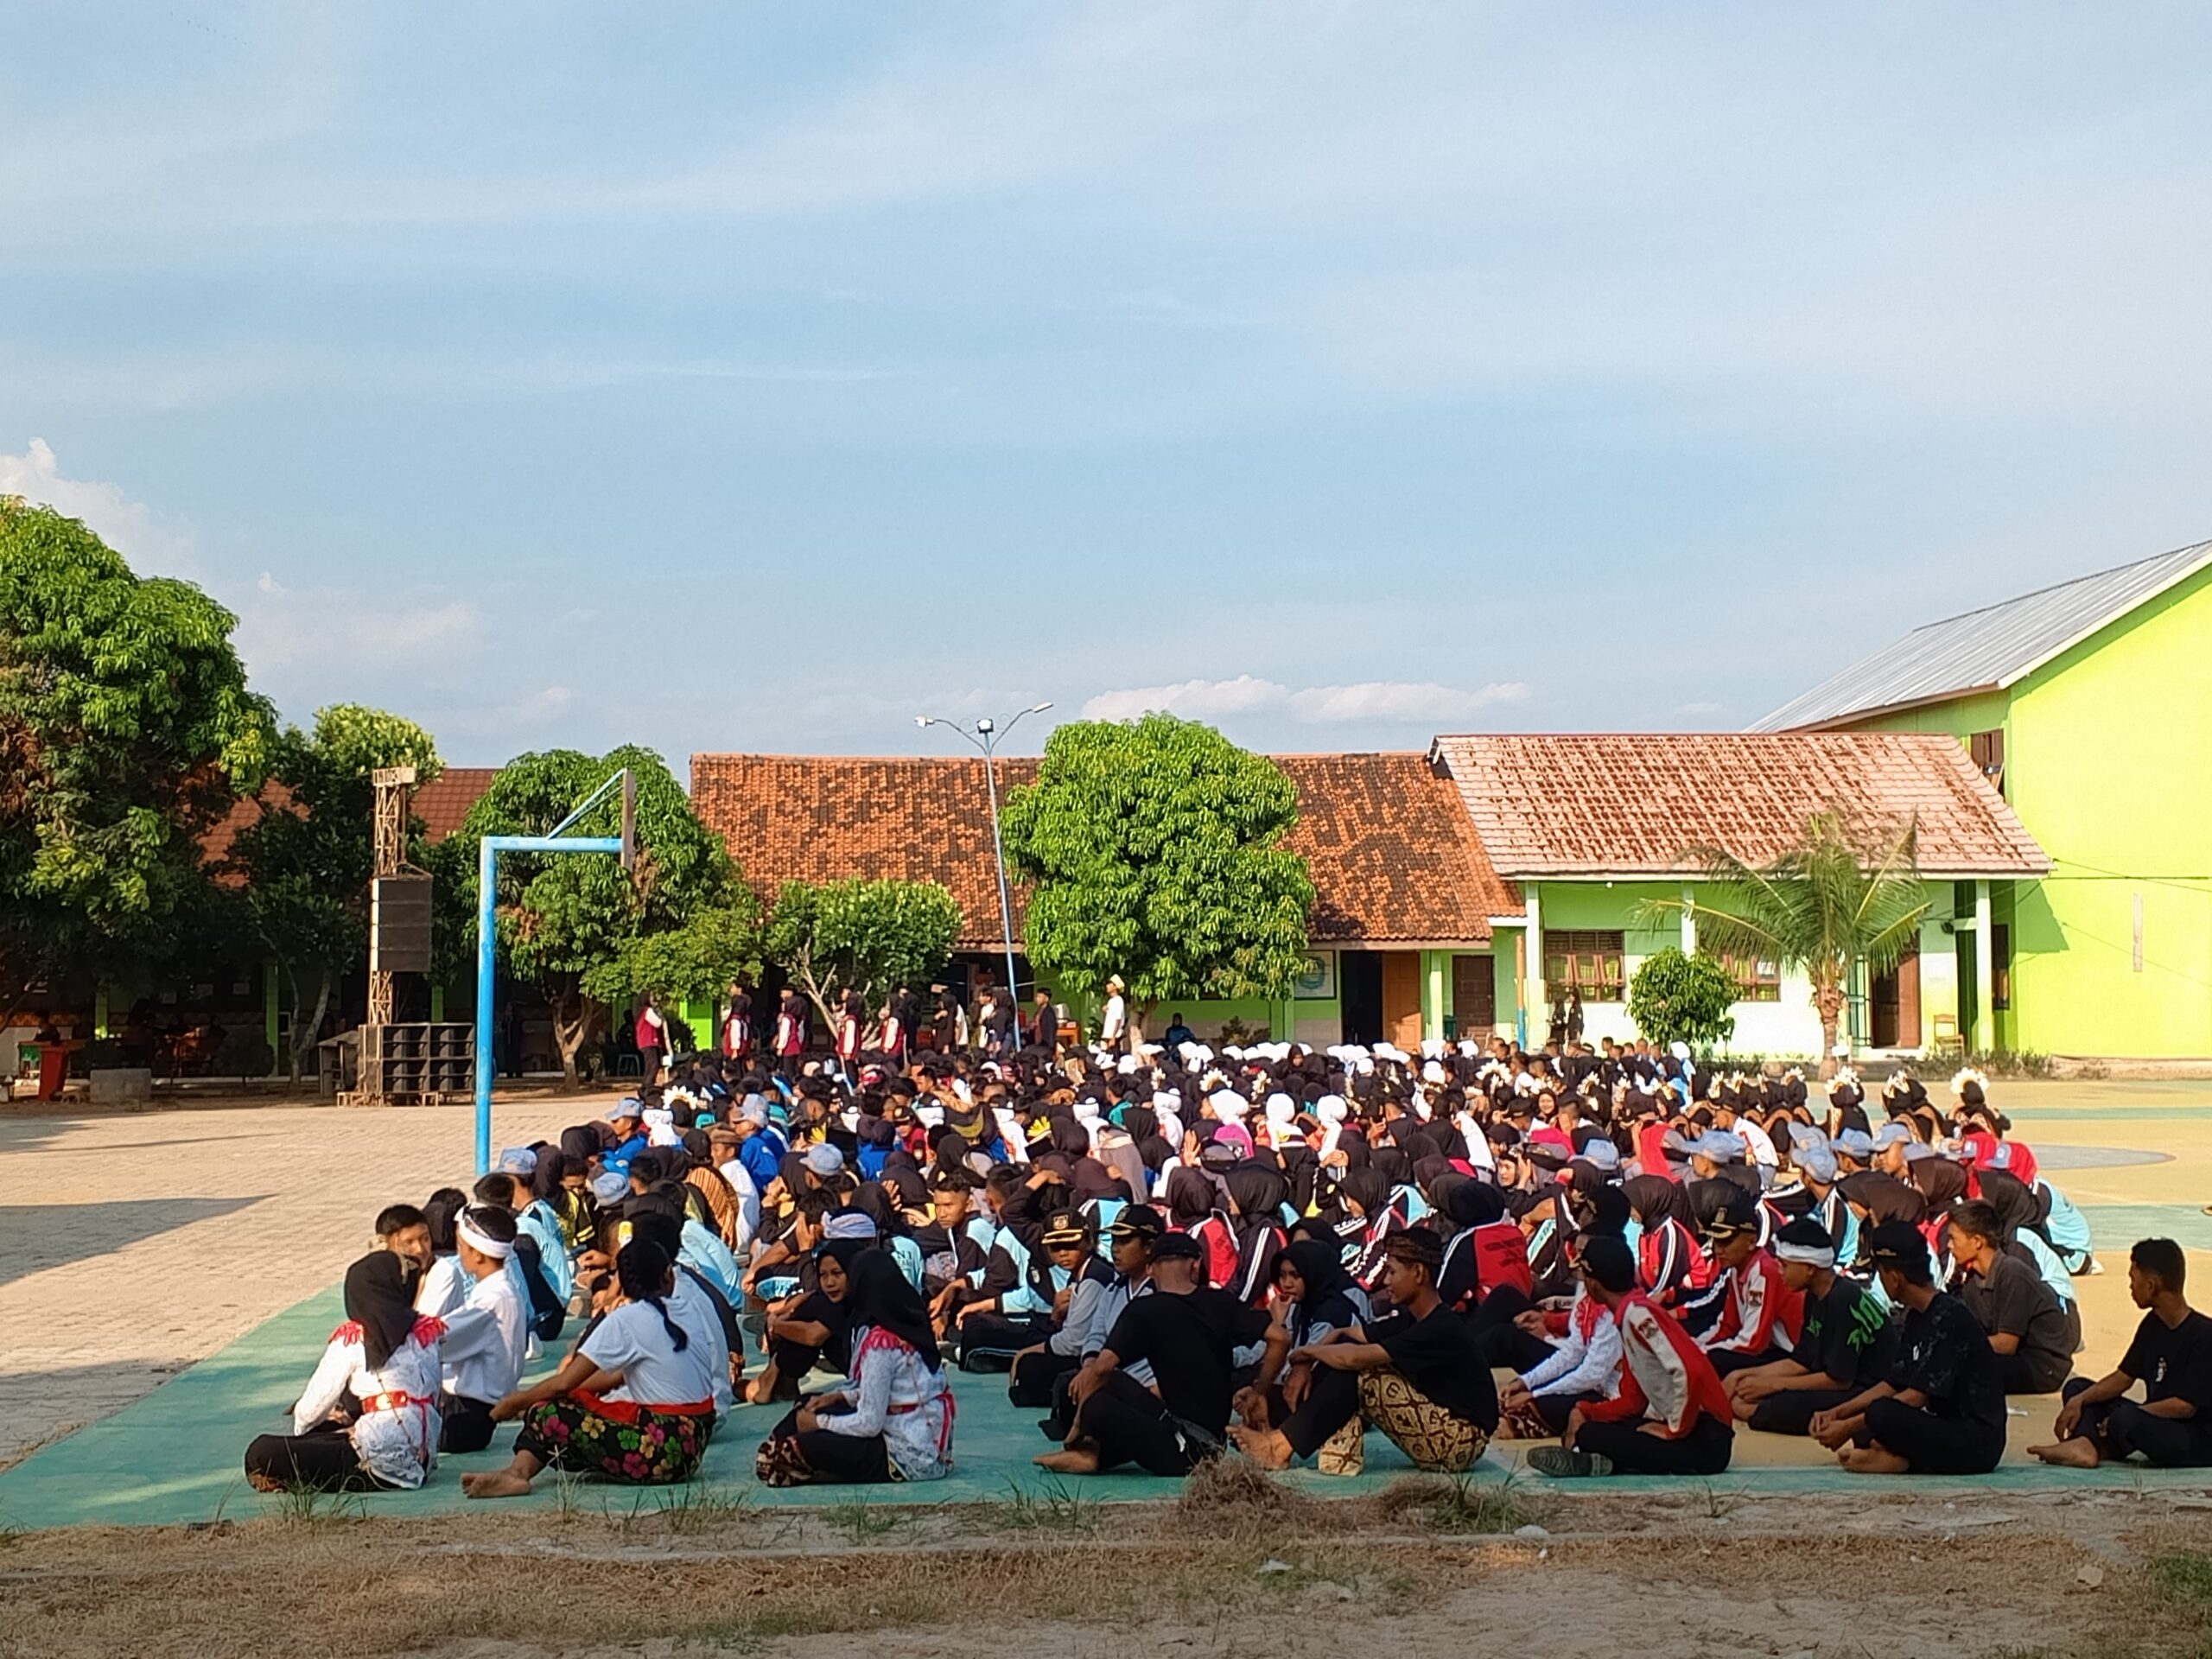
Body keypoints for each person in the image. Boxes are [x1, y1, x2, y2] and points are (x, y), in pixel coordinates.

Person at [462, 1239, 717, 1497]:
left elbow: (565, 1382)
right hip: (694, 1443)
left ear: (622, 1284)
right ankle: (515, 1473)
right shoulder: (686, 1307)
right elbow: (611, 1377)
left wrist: (519, 1401)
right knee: (561, 1402)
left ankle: (517, 1473)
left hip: (665, 1452)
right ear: (669, 1276)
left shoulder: (629, 1318)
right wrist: (556, 1394)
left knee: (548, 1414)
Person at [1233, 1229, 1497, 1476]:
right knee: (1344, 1359)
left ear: (1418, 1273)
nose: (1386, 1281)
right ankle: (1276, 1419)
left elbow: (1353, 1357)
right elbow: (1349, 1334)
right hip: (1439, 1427)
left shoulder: (1440, 1327)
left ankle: (1279, 1447)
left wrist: (1306, 1355)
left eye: (1393, 1272)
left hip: (1458, 1441)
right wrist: (1304, 1362)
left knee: (1364, 1371)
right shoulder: (1411, 1320)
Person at [1038, 1232, 1281, 1477]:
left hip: (1187, 1452)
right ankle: (1093, 1454)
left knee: (1095, 1403)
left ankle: (1092, 1454)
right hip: (1207, 1441)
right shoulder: (1221, 1301)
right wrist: (1260, 1390)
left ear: (1151, 1270)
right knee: (1111, 1382)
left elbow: (1101, 1368)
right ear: (1196, 1264)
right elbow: (1280, 1338)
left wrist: (1079, 1426)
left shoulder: (1144, 1310)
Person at [1527, 1235, 1735, 1478]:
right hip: (1693, 1429)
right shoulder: (1629, 1315)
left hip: (1707, 1438)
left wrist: (1674, 1430)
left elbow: (1689, 1371)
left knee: (1592, 1435)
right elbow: (1633, 1402)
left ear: (1594, 1284)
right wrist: (1585, 1410)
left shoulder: (1639, 1316)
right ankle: (1597, 1459)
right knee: (1596, 1426)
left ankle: (1595, 1456)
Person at [1809, 1219, 2006, 1475]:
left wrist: (1847, 1427)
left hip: (1975, 1442)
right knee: (1875, 1414)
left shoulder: (1950, 1317)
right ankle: (1893, 1454)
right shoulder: (1916, 1315)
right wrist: (1837, 1413)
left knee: (1880, 1414)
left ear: (1893, 1277)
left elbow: (1915, 1396)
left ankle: (1901, 1461)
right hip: (1945, 1426)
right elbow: (1893, 1383)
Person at [244, 1252, 443, 1491]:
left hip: (376, 1462)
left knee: (260, 1452)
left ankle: (293, 1476)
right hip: (425, 1458)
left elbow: (309, 1413)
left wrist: (305, 1439)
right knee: (337, 1432)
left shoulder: (355, 1337)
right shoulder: (427, 1333)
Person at [755, 1249, 957, 1485]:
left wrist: (820, 1424)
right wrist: (840, 1396)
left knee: (803, 1442)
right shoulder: (909, 1324)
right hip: (924, 1444)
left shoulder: (881, 1343)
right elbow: (895, 1391)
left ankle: (784, 1454)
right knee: (812, 1405)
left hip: (904, 1455)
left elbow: (869, 1423)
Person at [2031, 1237, 2212, 1469]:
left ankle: (2092, 1446)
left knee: (2127, 1419)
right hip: (2151, 1419)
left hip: (2192, 1438)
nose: (2130, 1287)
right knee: (2078, 1389)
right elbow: (2123, 1378)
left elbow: (2184, 1407)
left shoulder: (2204, 1335)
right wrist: (2080, 1399)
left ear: (2151, 1285)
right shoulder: (2152, 1325)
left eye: (2133, 1279)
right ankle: (2087, 1447)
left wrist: (2131, 1414)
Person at [1722, 1217, 1897, 1436]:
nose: (1779, 1271)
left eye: (1784, 1265)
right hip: (1841, 1381)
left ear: (1809, 1268)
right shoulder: (1815, 1297)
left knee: (1767, 1404)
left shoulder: (1842, 1300)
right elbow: (1802, 1361)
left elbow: (1839, 1380)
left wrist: (1771, 1385)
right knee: (1742, 1392)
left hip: (1867, 1388)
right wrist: (1743, 1375)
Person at [1948, 1198, 2074, 1395]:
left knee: (1960, 1371)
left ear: (1977, 1242)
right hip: (2014, 1358)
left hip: (2041, 1367)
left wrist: (1957, 1346)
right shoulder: (1972, 1282)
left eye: (1953, 1239)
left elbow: (2006, 1344)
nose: (1949, 1245)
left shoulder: (2012, 1274)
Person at [434, 1205, 531, 1452]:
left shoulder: (492, 1300)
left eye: (461, 1247)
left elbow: (437, 1343)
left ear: (477, 1255)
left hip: (465, 1418)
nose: (459, 1254)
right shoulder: (500, 1290)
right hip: (474, 1414)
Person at [1007, 1208, 1118, 1410]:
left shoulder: (1094, 1279)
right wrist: (1056, 1314)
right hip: (1081, 1351)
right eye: (1056, 1247)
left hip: (1094, 1358)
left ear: (1087, 1241)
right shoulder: (1079, 1274)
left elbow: (1075, 1341)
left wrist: (1026, 1352)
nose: (1063, 1252)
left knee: (1030, 1364)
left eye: (1071, 1244)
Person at [634, 995, 668, 1088]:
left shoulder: (641, 1012)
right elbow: (657, 1023)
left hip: (645, 1042)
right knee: (654, 1065)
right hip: (649, 1041)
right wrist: (659, 1013)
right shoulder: (648, 1011)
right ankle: (647, 1086)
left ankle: (647, 1085)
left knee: (650, 1066)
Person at [1099, 976, 1128, 1057]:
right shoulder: (1111, 1001)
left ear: (1115, 987)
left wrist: (1113, 1037)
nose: (1107, 986)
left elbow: (1118, 1019)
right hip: (1108, 1036)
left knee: (1113, 1058)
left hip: (1113, 1036)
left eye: (1110, 984)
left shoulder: (1119, 1001)